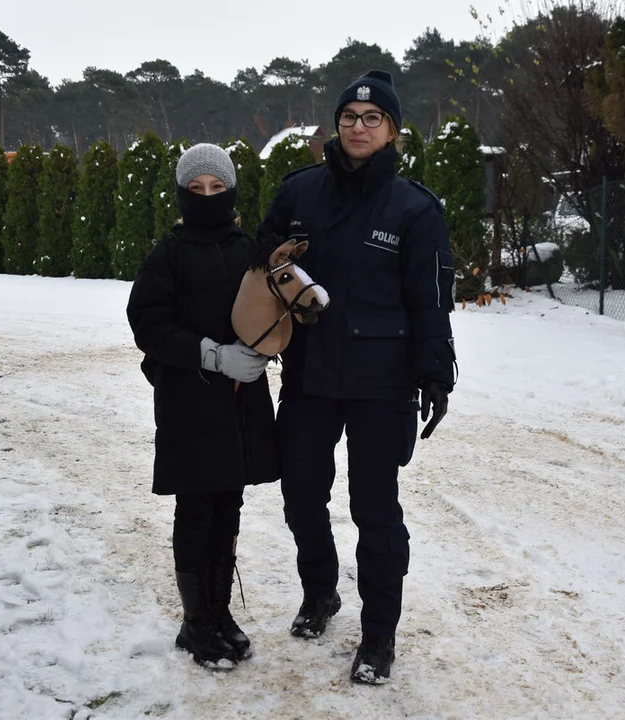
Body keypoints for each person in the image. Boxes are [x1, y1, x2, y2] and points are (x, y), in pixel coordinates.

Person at [258, 70, 456, 684]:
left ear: (392, 129)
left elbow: (430, 301)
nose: (359, 127)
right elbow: (260, 269)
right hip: (310, 374)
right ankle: (321, 593)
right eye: (349, 117)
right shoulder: (300, 194)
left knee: (375, 511)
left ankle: (378, 635)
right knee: (301, 499)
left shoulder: (414, 207)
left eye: (373, 119)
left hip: (382, 383)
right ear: (336, 126)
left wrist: (436, 374)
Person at [126, 143, 279, 670]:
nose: (208, 196)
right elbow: (147, 322)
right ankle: (196, 623)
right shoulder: (168, 252)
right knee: (195, 507)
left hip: (239, 401)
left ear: (231, 191)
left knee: (228, 504)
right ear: (182, 194)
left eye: (217, 187)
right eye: (197, 189)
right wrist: (212, 355)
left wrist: (265, 348)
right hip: (190, 400)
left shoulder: (248, 249)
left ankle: (219, 612)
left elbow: (268, 307)